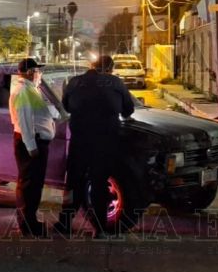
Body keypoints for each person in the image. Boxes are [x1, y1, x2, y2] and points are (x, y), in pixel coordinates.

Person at [60, 55, 135, 238]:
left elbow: (66, 107)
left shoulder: (75, 82)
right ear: (110, 68)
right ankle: (100, 229)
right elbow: (128, 110)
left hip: (79, 143)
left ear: (92, 66)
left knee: (73, 183)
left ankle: (65, 223)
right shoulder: (115, 83)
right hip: (104, 144)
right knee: (99, 185)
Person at [10, 57, 59, 237]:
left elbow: (42, 113)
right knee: (29, 185)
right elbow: (24, 121)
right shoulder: (24, 91)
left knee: (33, 184)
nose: (40, 74)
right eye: (38, 71)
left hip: (35, 141)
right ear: (30, 72)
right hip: (31, 142)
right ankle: (27, 225)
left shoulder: (31, 89)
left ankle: (29, 221)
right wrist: (31, 146)